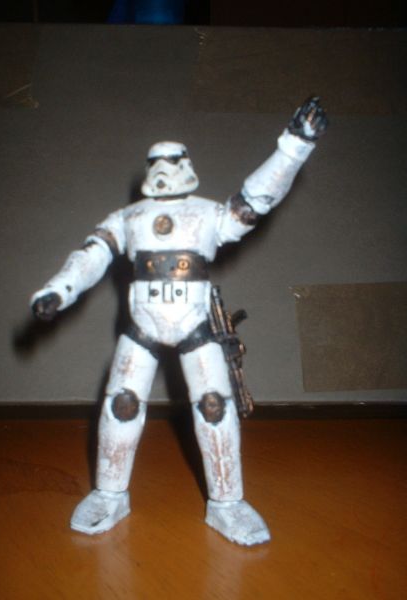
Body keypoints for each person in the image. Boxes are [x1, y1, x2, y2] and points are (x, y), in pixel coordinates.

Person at [31, 97, 327, 545]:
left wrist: (294, 146)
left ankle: (227, 502)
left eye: (172, 161)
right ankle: (109, 493)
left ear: (186, 165)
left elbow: (255, 201)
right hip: (142, 329)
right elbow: (92, 256)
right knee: (122, 405)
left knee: (214, 407)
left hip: (196, 328)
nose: (164, 169)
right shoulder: (127, 219)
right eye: (157, 162)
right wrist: (59, 290)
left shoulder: (208, 214)